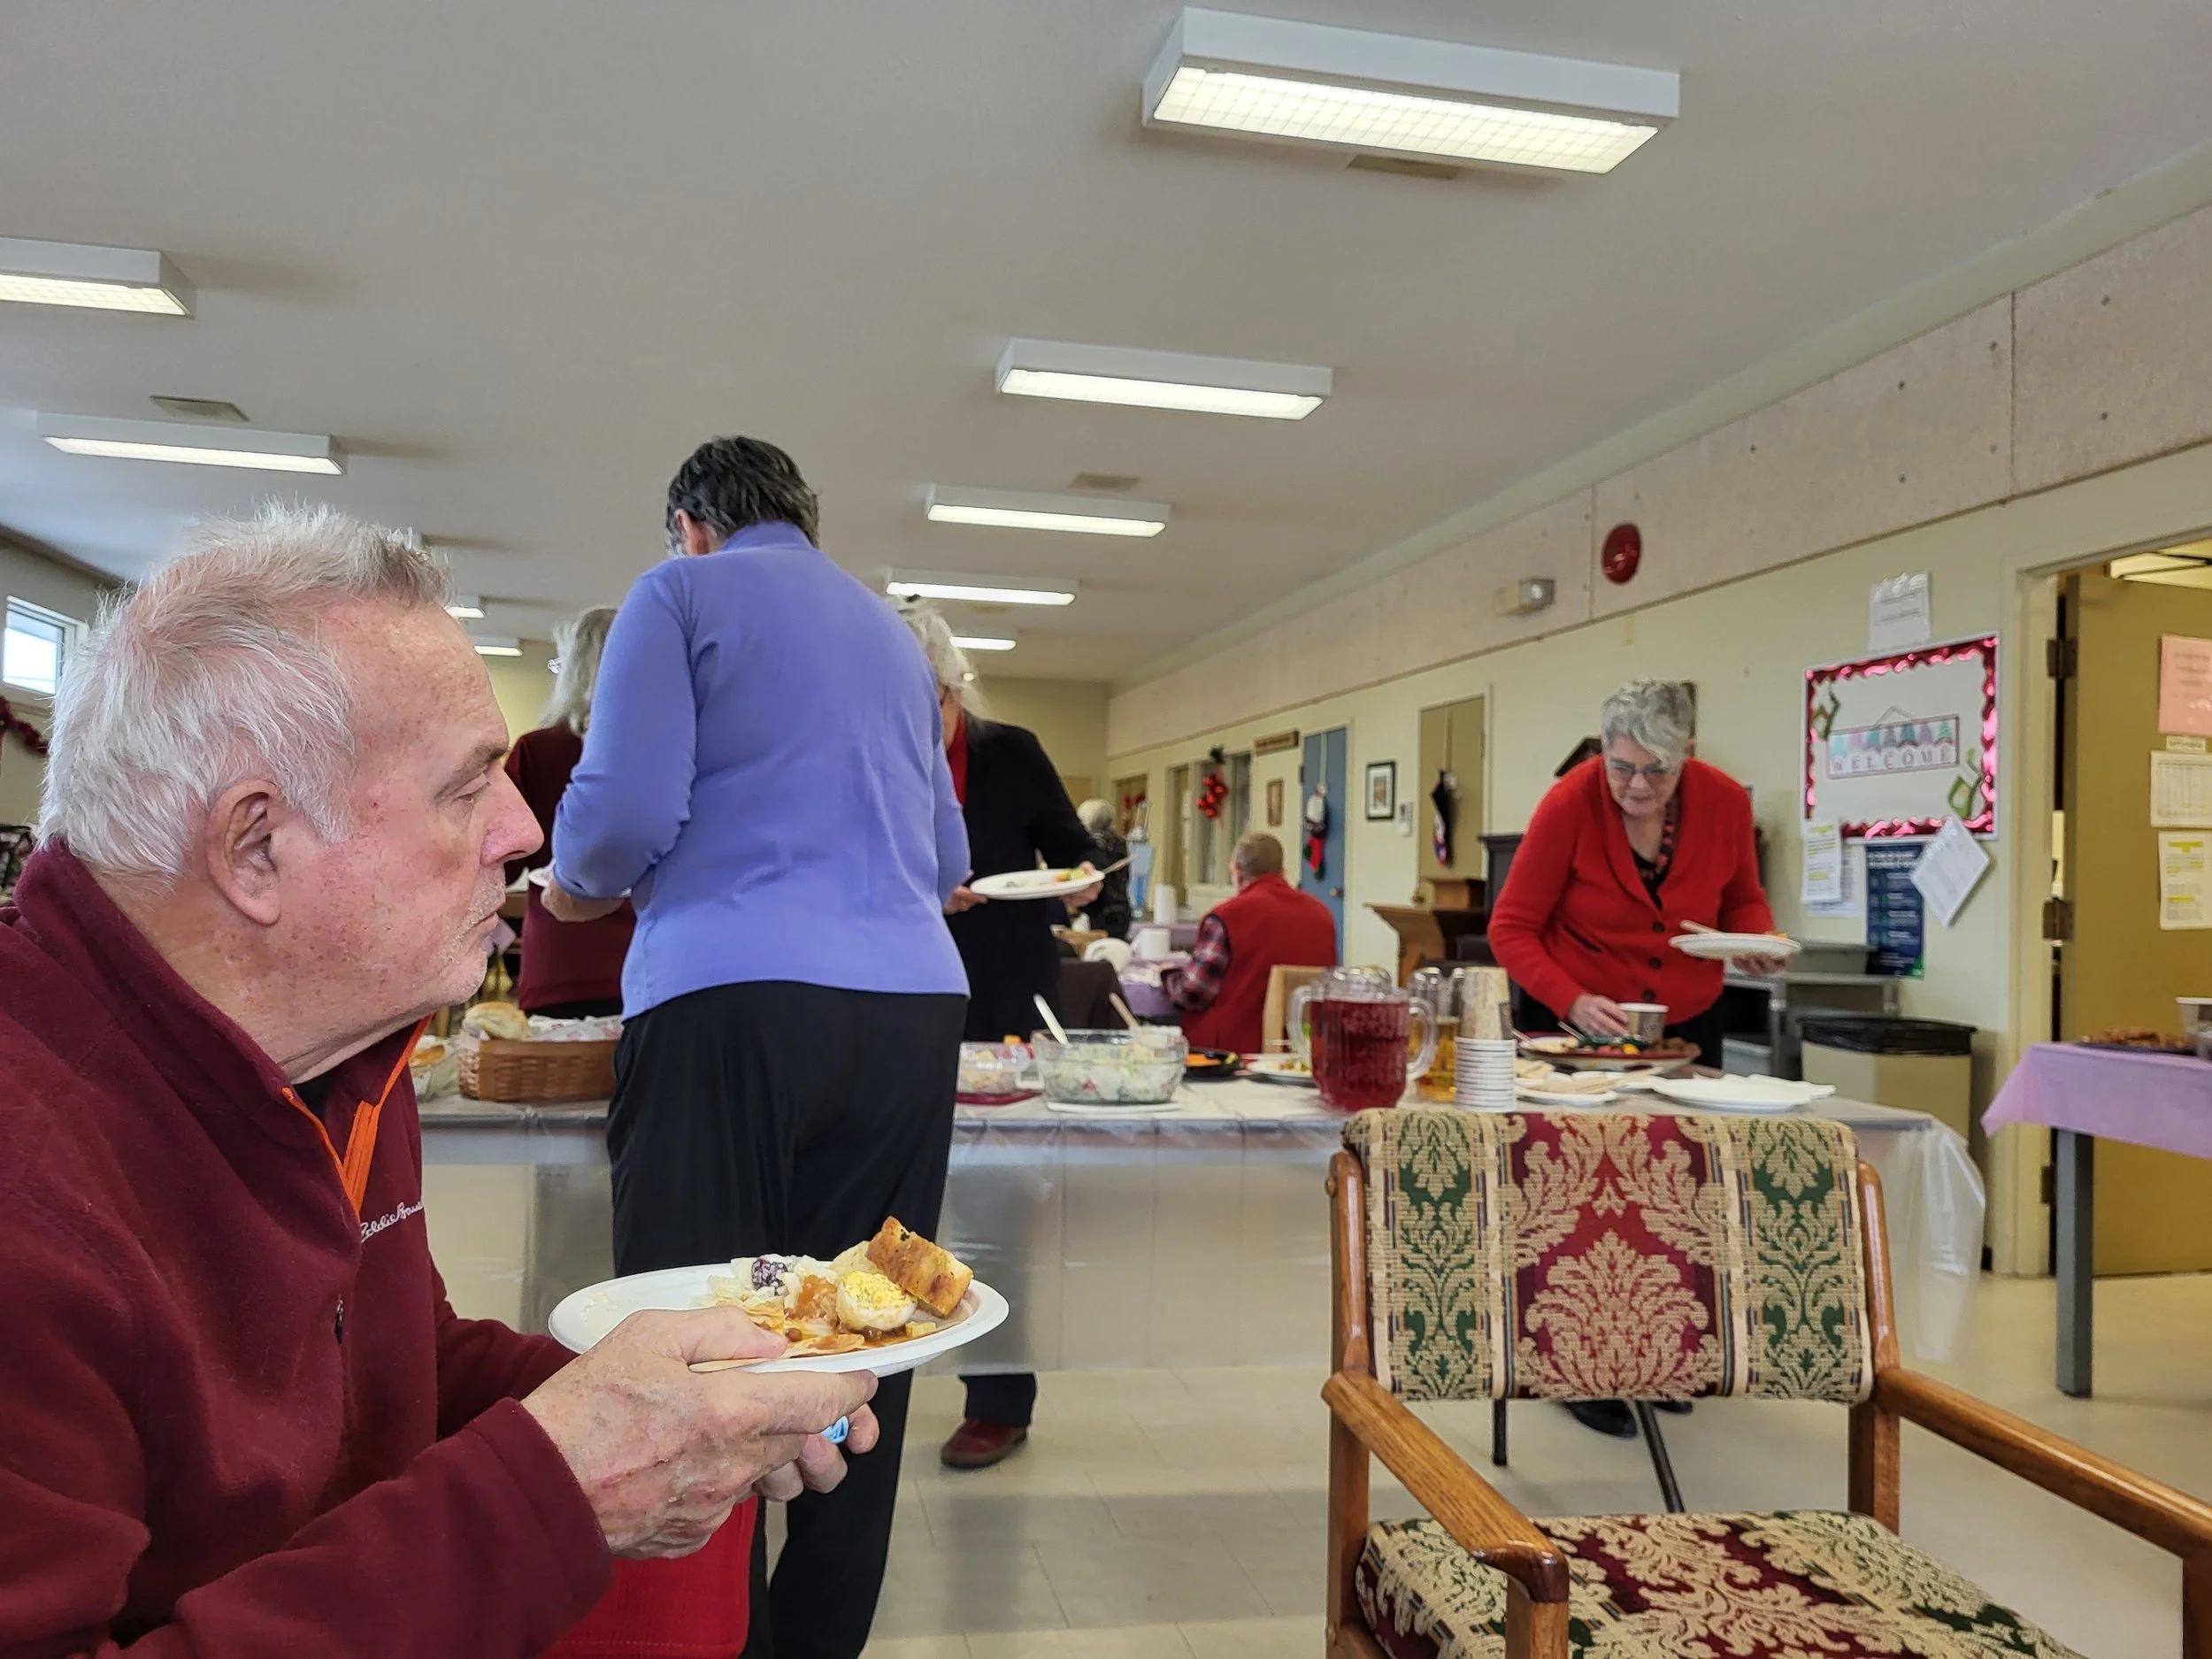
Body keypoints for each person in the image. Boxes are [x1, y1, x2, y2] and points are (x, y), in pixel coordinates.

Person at [0, 505, 874, 1657]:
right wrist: (548, 1490)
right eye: (466, 787)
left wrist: (655, 1399)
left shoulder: (334, 1045)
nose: (523, 826)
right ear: (255, 847)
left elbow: (379, 1365)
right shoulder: (31, 1185)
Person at [543, 438, 967, 1659]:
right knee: (873, 1336)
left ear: (689, 524)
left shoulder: (676, 592)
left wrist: (572, 890)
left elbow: (621, 813)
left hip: (729, 996)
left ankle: (708, 1633)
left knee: (694, 1342)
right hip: (904, 1013)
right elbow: (944, 859)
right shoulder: (896, 634)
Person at [1486, 678, 1787, 1438]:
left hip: (1685, 1015)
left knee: (1680, 1188)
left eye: (1657, 770)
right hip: (1578, 1016)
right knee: (1583, 1190)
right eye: (1622, 768)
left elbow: (1743, 899)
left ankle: (1662, 1355)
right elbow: (1512, 927)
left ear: (1688, 754)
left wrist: (1755, 942)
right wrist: (1572, 998)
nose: (1637, 786)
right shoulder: (1568, 803)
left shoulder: (1725, 802)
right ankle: (1574, 1364)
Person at [895, 604, 1098, 1471]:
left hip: (1005, 994)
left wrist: (1076, 882)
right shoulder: (866, 751)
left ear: (952, 688)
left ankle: (998, 1400)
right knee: (896, 1205)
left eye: (927, 700)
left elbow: (1073, 858)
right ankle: (866, 1376)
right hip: (896, 991)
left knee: (998, 1206)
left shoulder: (1009, 750)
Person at [503, 606, 633, 1017]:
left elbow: (504, 861)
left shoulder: (537, 752)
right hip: (653, 957)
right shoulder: (672, 753)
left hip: (561, 959)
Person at [1166, 831, 1339, 1056]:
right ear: (1283, 872)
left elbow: (1193, 993)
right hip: (1304, 1048)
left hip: (1232, 1052)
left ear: (1236, 873)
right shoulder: (1322, 914)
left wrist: (1168, 978)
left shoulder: (1226, 917)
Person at [1076, 796, 1133, 940]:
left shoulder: (1090, 846)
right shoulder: (1120, 843)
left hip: (1097, 909)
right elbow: (1126, 876)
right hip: (1123, 908)